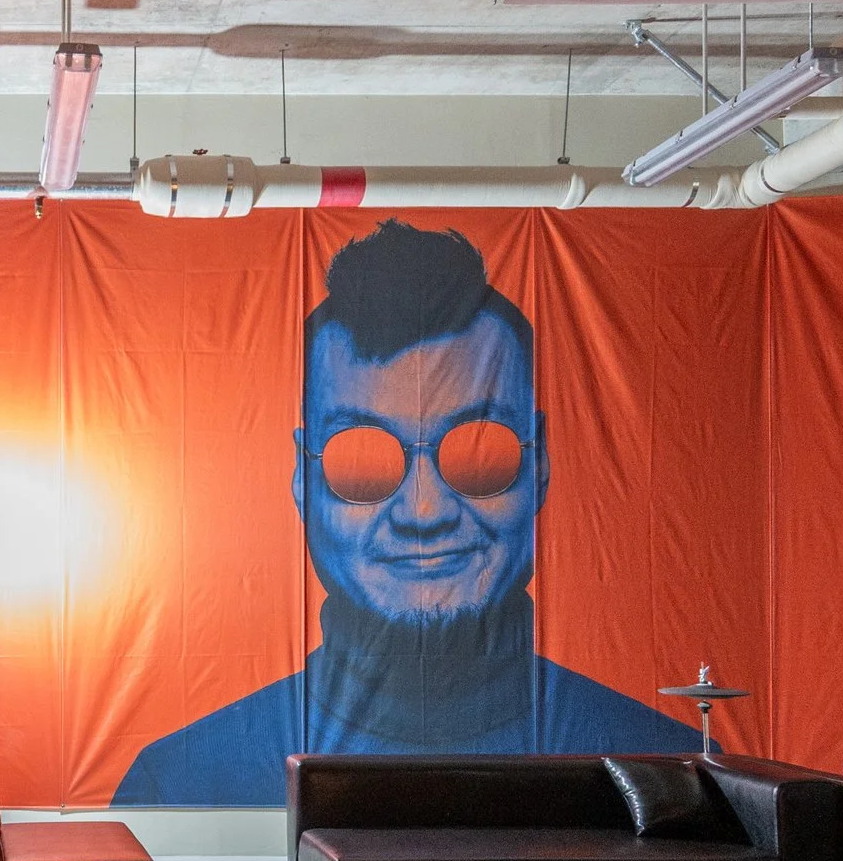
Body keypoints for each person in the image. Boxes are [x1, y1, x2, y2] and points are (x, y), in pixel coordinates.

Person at [116, 221, 691, 805]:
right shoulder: (180, 784)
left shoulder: (676, 780)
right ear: (302, 479)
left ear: (539, 466)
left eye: (479, 453)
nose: (424, 510)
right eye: (361, 460)